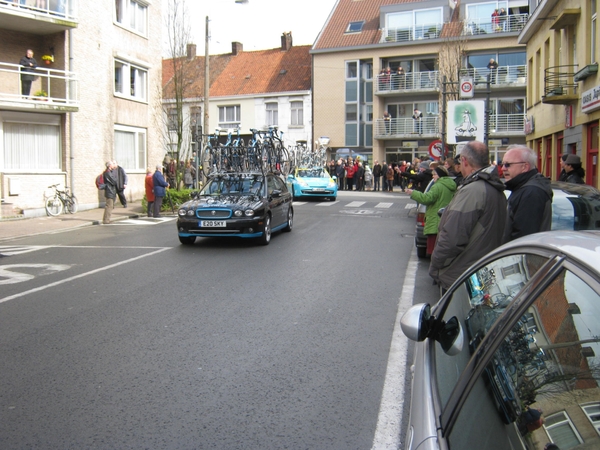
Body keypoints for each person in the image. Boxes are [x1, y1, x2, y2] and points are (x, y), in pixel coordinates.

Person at [429, 141, 507, 290]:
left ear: (464, 161)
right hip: (481, 270)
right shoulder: (494, 188)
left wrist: (436, 266)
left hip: (463, 274)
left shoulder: (473, 191)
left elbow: (452, 238)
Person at [502, 145, 553, 243]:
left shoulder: (531, 192)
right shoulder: (523, 188)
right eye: (502, 164)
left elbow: (523, 237)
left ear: (524, 167)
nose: (503, 168)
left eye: (508, 164)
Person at [407, 166, 457, 256]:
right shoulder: (452, 186)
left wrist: (413, 193)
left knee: (433, 251)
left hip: (435, 221)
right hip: (446, 221)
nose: (433, 176)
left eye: (435, 174)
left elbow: (427, 199)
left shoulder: (437, 186)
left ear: (440, 175)